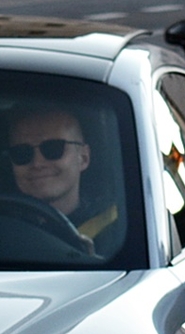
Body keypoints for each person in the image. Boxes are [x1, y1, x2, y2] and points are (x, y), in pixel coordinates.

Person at [6, 107, 121, 251]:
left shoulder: (119, 233)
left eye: (53, 148)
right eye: (22, 153)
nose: (37, 163)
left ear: (84, 158)